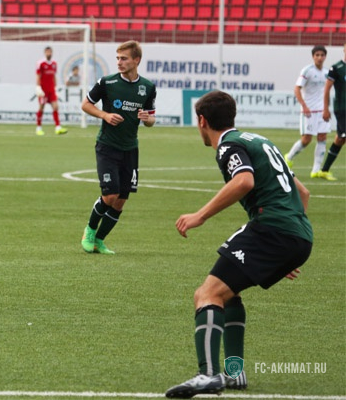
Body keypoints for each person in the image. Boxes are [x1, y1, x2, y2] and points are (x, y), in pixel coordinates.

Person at [165, 90, 313, 399]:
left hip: (272, 228)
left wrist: (200, 215)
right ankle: (234, 372)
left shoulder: (228, 145)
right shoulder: (259, 140)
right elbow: (303, 193)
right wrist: (287, 251)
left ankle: (208, 375)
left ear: (202, 121)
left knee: (207, 294)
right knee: (227, 293)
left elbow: (244, 181)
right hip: (297, 233)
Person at [80, 40, 156, 255]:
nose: (119, 62)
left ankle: (100, 241)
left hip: (130, 149)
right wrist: (104, 115)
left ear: (136, 60)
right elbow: (85, 104)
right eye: (117, 58)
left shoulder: (148, 87)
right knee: (110, 196)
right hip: (107, 146)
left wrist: (147, 119)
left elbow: (151, 120)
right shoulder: (107, 82)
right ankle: (89, 231)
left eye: (124, 58)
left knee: (121, 201)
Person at [284, 45, 329, 178]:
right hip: (309, 111)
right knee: (306, 140)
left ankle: (315, 170)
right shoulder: (307, 70)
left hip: (322, 111)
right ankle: (289, 157)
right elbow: (297, 88)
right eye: (317, 55)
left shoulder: (327, 72)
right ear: (313, 56)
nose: (320, 57)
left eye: (322, 55)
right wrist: (304, 106)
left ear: (325, 57)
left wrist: (327, 108)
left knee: (322, 137)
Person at [319, 43, 346, 180]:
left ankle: (324, 170)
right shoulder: (336, 68)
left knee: (340, 139)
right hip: (342, 108)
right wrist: (325, 109)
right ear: (344, 49)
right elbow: (327, 90)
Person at [35, 46, 68, 136]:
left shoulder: (54, 64)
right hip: (43, 90)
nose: (48, 53)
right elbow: (38, 75)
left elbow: (53, 76)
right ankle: (38, 128)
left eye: (50, 52)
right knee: (41, 107)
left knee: (55, 107)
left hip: (51, 90)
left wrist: (55, 87)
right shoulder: (41, 63)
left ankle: (58, 127)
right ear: (45, 53)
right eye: (47, 52)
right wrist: (38, 87)